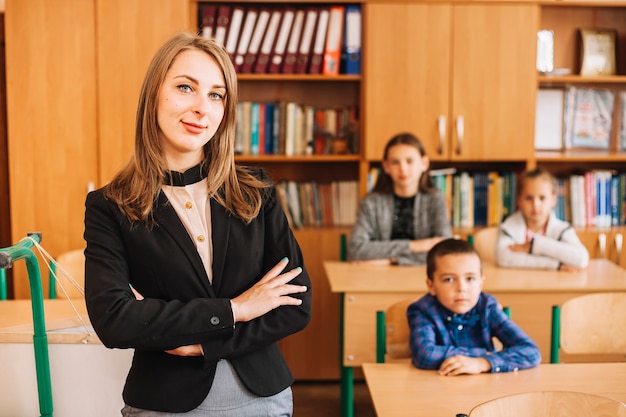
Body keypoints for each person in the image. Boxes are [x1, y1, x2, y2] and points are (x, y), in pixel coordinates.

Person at [83, 32, 312, 416]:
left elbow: (296, 304)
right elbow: (115, 320)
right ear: (154, 93)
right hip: (164, 403)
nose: (201, 108)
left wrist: (205, 343)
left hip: (262, 398)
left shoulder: (257, 191)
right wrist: (236, 309)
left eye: (216, 95)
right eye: (186, 87)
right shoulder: (110, 206)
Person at [408, 238, 541, 376]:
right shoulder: (422, 310)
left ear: (481, 284)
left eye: (470, 278)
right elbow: (424, 354)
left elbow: (531, 352)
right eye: (449, 279)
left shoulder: (487, 307)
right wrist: (484, 354)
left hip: (485, 389)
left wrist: (483, 362)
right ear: (431, 285)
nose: (461, 288)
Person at [348, 133, 452, 265]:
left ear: (424, 164)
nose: (402, 169)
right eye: (395, 162)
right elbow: (356, 250)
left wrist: (393, 260)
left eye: (409, 161)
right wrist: (415, 246)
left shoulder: (435, 200)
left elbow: (444, 252)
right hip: (377, 277)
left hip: (422, 276)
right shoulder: (371, 202)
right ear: (386, 166)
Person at [496, 168, 589, 271]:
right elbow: (503, 258)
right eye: (529, 198)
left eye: (542, 198)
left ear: (553, 199)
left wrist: (534, 246)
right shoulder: (508, 227)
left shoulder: (562, 229)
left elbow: (581, 259)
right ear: (519, 200)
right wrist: (556, 265)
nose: (536, 205)